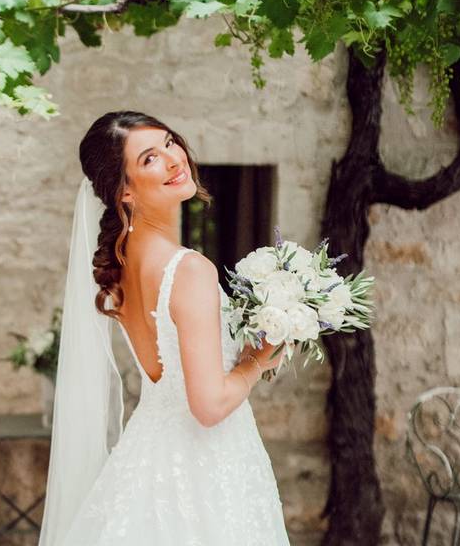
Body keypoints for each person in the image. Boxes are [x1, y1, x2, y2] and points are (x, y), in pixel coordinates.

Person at [38, 111, 291, 546]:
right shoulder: (189, 270)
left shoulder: (116, 272)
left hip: (147, 454)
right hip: (207, 466)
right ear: (125, 191)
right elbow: (208, 406)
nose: (175, 160)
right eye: (151, 158)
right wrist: (256, 361)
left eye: (171, 142)